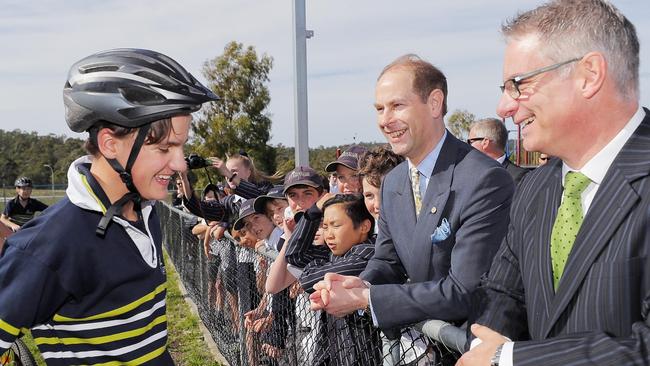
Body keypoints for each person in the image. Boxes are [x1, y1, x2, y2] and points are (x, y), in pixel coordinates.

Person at [457, 1, 650, 365]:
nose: (503, 107)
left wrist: (508, 359)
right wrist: (493, 334)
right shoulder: (534, 189)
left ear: (589, 74)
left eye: (519, 84)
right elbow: (502, 289)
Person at [0, 48, 218, 364]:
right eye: (163, 147)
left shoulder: (144, 211)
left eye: (181, 146)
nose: (180, 163)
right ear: (109, 144)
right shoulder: (50, 247)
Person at [310, 54, 514, 346]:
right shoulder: (393, 181)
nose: (385, 120)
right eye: (379, 109)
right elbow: (387, 259)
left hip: (474, 347)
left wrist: (366, 298)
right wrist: (363, 282)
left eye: (397, 106)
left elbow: (465, 289)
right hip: (427, 345)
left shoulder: (483, 179)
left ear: (434, 103)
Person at [292, 194, 381, 365]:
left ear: (364, 226)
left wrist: (316, 266)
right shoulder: (336, 254)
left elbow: (308, 280)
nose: (329, 235)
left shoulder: (367, 253)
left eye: (336, 225)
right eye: (325, 227)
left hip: (362, 355)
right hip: (337, 350)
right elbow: (295, 255)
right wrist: (312, 212)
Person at [468, 118, 529, 185]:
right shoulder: (469, 173)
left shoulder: (518, 177)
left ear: (485, 143)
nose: (468, 146)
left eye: (470, 142)